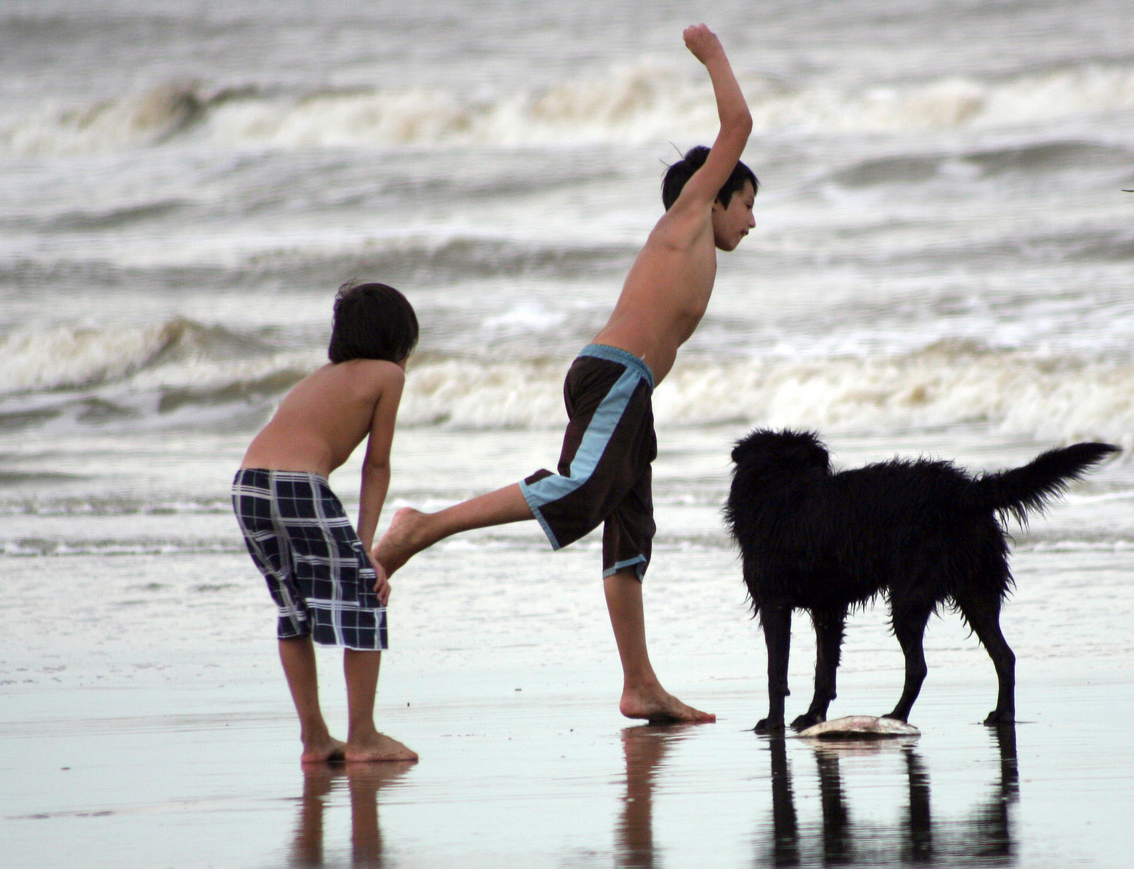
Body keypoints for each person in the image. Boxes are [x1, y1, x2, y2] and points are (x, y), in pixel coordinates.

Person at [375, 24, 756, 724]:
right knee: (579, 491)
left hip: (631, 394)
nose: (753, 221)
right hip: (613, 376)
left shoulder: (696, 237)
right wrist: (712, 55)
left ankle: (639, 684)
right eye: (749, 202)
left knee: (629, 532)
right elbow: (738, 122)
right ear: (716, 194)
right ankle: (420, 527)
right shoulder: (687, 217)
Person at [233, 281, 419, 763]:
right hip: (298, 485)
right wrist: (366, 552)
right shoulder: (387, 375)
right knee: (365, 598)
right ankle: (362, 737)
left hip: (249, 484)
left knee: (292, 608)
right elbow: (376, 465)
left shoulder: (317, 377)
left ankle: (315, 739)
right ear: (399, 340)